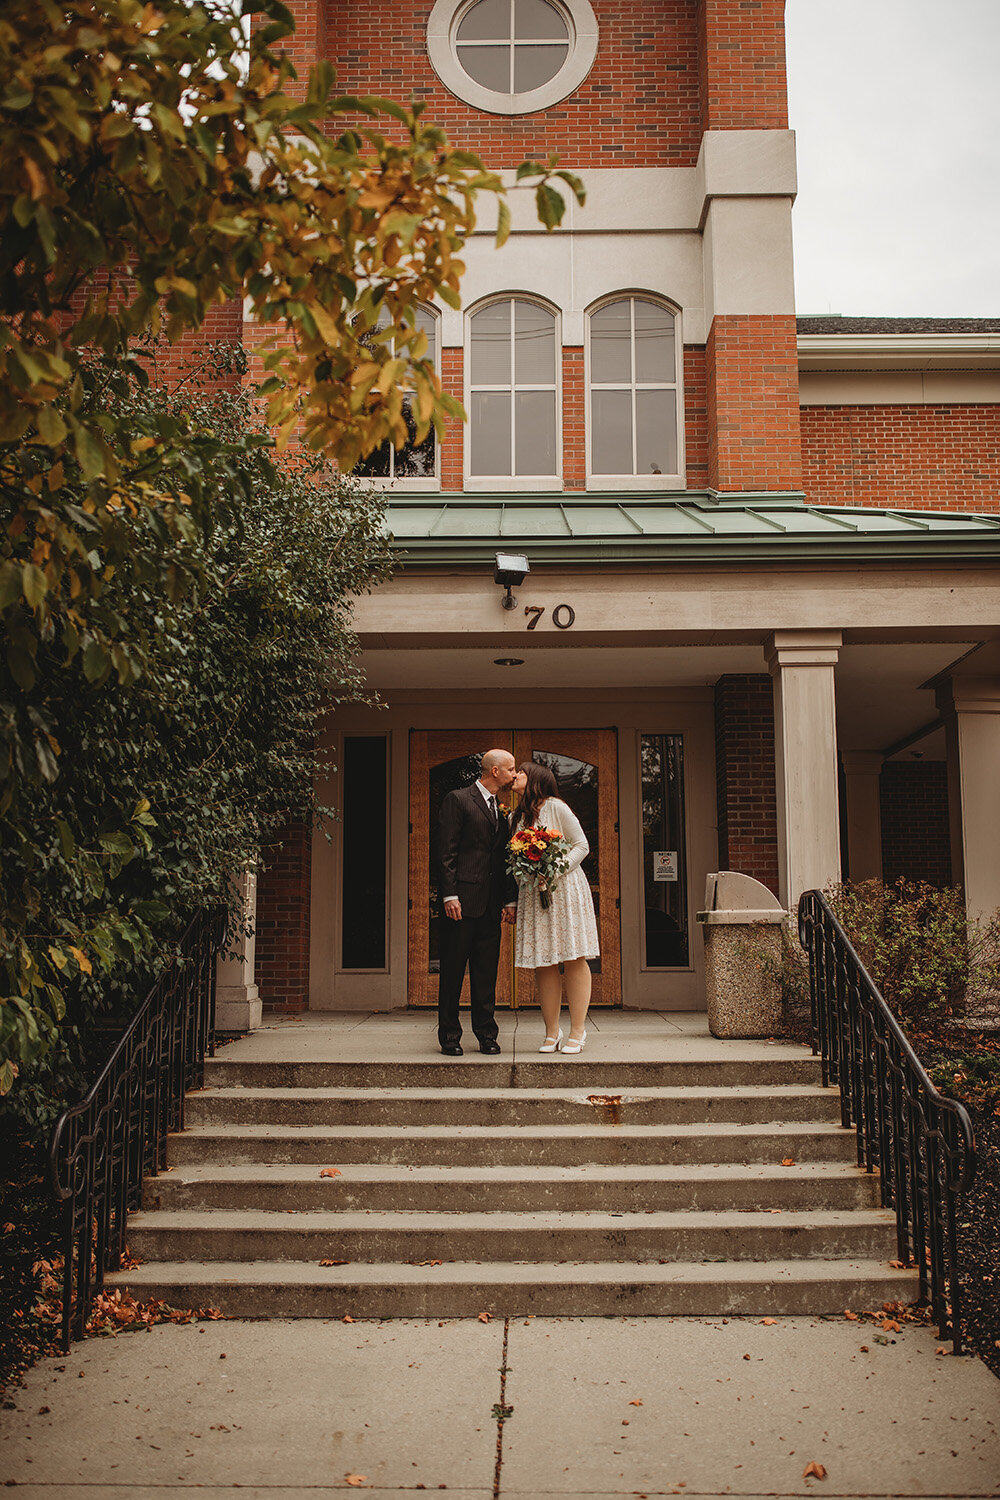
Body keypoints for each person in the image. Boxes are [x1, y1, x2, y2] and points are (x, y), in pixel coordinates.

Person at [509, 761, 599, 1054]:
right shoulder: (516, 818)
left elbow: (581, 845)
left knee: (573, 957)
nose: (514, 776)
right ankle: (551, 1031)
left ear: (534, 778)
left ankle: (577, 1030)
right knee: (544, 960)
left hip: (564, 889)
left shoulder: (557, 807)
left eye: (519, 772)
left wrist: (554, 867)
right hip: (533, 894)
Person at [436, 748, 518, 1056]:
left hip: (490, 906)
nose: (514, 774)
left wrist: (509, 899)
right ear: (495, 771)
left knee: (486, 973)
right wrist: (449, 894)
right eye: (510, 769)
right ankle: (450, 1037)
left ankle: (486, 1035)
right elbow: (446, 851)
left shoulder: (502, 809)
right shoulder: (458, 800)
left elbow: (503, 858)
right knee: (453, 971)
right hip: (460, 902)